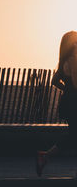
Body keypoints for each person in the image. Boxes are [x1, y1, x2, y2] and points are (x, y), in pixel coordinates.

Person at [36, 31, 77, 176]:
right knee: (73, 135)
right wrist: (71, 89)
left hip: (68, 101)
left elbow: (54, 81)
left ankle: (44, 156)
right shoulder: (73, 59)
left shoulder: (64, 60)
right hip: (74, 103)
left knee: (73, 135)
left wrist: (67, 89)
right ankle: (44, 156)